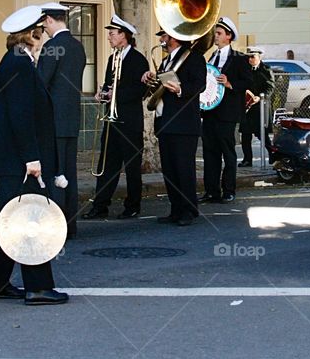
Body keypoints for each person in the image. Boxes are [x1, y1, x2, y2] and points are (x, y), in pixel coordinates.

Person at [0, 5, 68, 305]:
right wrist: (32, 158)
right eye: (41, 32)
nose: (44, 37)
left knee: (10, 219)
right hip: (20, 160)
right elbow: (20, 115)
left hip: (11, 159)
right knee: (31, 219)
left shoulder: (15, 60)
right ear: (31, 34)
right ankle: (38, 287)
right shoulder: (20, 63)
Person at [83, 15, 149, 219]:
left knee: (132, 167)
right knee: (106, 165)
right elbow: (108, 84)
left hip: (130, 122)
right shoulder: (113, 59)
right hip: (112, 122)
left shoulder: (138, 60)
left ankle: (133, 206)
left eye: (112, 34)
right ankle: (100, 205)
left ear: (123, 36)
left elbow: (140, 91)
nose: (109, 37)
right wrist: (102, 94)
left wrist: (115, 94)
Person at [143, 29, 206, 226]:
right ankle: (176, 209)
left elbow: (200, 84)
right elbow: (160, 90)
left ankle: (188, 210)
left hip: (184, 124)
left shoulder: (194, 58)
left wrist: (180, 89)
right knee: (169, 170)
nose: (162, 40)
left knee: (183, 169)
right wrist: (150, 81)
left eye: (164, 36)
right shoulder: (166, 61)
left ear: (175, 38)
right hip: (166, 122)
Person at [37, 2, 87, 238]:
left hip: (52, 120)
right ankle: (70, 224)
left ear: (49, 20)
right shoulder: (78, 46)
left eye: (44, 24)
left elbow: (41, 83)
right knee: (69, 174)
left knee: (54, 174)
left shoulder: (52, 46)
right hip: (71, 119)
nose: (44, 30)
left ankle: (57, 226)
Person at [200, 17, 251, 203]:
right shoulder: (211, 57)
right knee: (209, 153)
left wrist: (230, 83)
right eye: (215, 33)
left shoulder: (239, 58)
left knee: (227, 153)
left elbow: (248, 82)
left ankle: (229, 190)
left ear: (229, 36)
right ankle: (211, 191)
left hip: (227, 114)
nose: (215, 36)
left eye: (219, 33)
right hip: (210, 112)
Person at [239, 47, 274, 167]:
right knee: (245, 135)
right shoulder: (245, 69)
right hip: (247, 107)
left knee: (262, 135)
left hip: (260, 107)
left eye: (252, 57)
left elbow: (270, 87)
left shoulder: (265, 69)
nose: (250, 59)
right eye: (248, 57)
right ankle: (247, 159)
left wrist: (260, 97)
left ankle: (273, 156)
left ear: (259, 57)